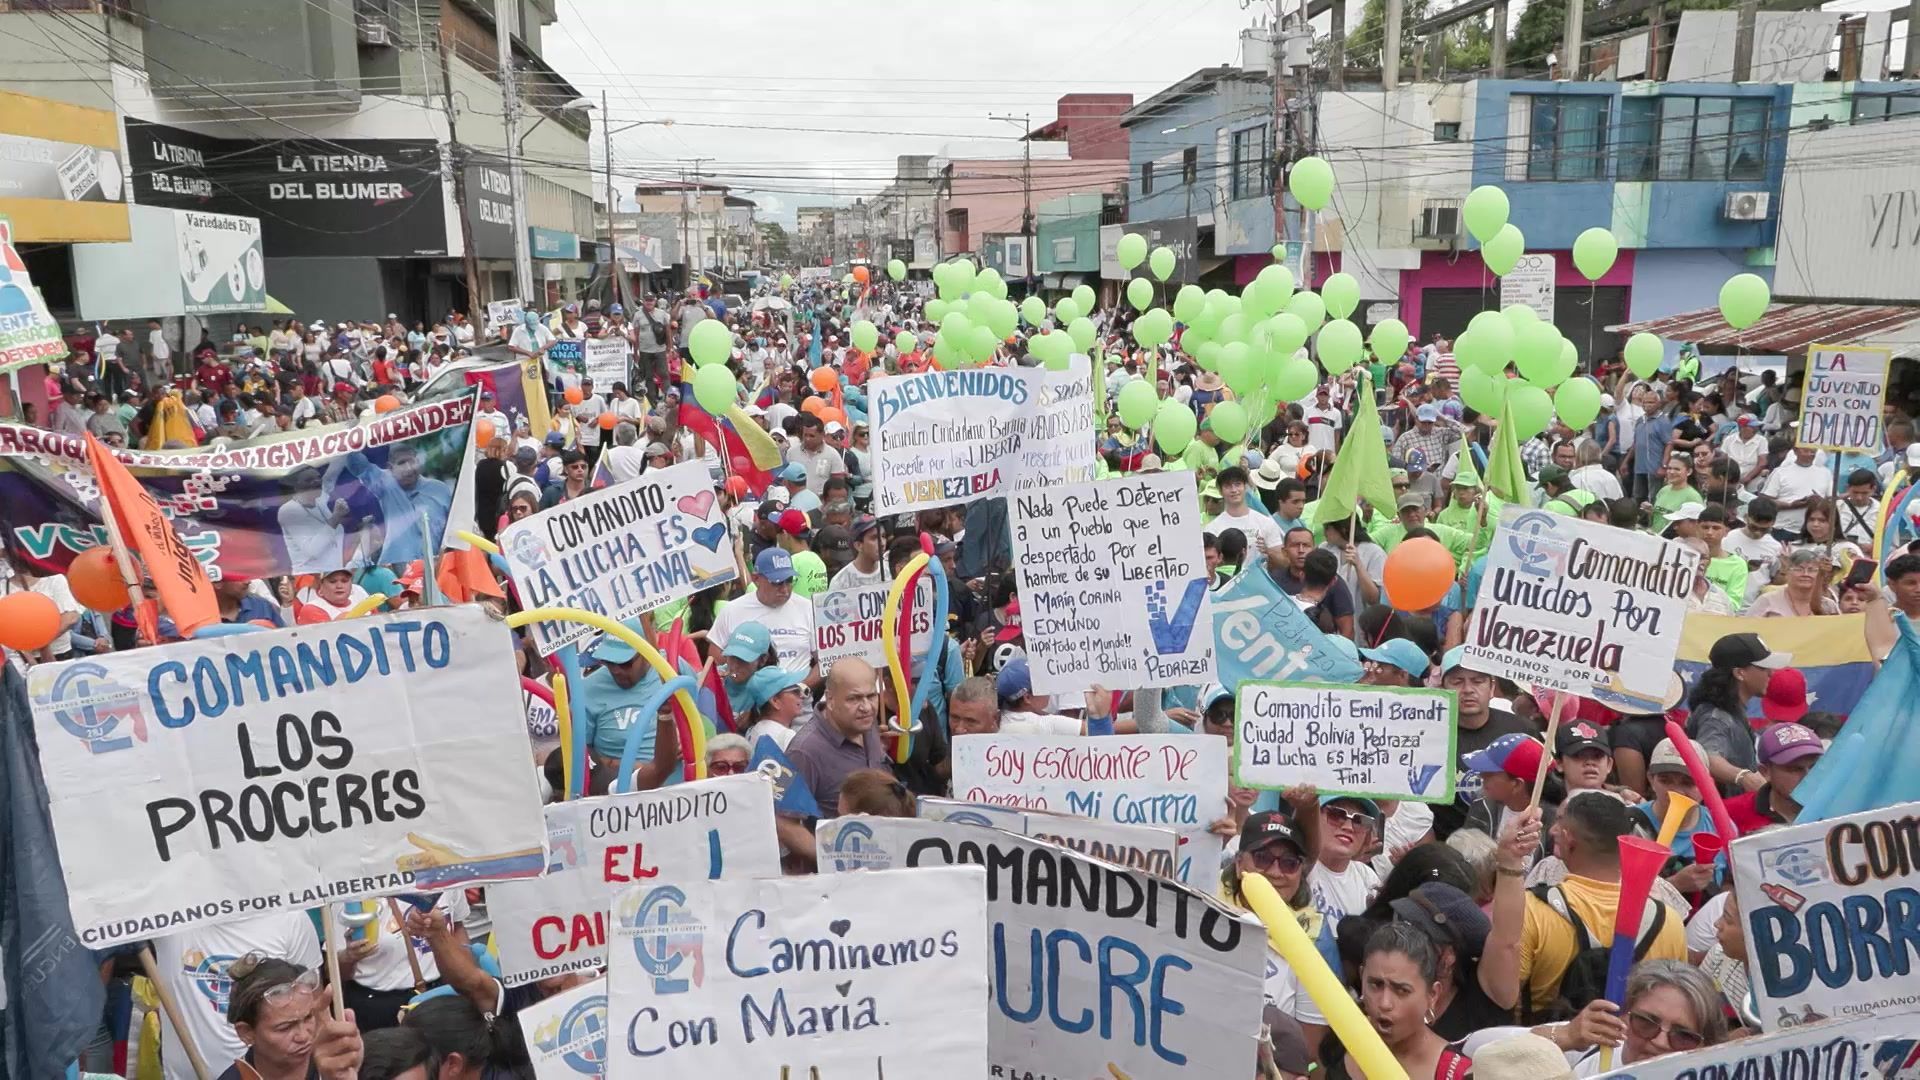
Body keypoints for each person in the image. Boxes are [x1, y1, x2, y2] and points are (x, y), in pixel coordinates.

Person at [1514, 794, 1688, 1018]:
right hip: (1636, 1049)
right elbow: (1677, 1000)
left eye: (1560, 824)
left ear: (1569, 840)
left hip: (1550, 1048)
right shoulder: (1668, 920)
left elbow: (1504, 997)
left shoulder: (1531, 909)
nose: (1552, 831)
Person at [1316, 923, 1472, 1080]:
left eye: (1402, 991)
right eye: (1375, 985)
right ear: (1362, 976)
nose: (1384, 1003)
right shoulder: (1339, 1041)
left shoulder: (1457, 1075)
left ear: (1432, 994)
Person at [1551, 960, 1728, 1075]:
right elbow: (1525, 1041)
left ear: (1707, 1046)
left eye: (1683, 1036)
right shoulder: (1598, 1044)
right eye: (1646, 1023)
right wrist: (1565, 1035)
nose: (1660, 1041)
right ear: (1623, 1019)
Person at [329, 891, 472, 1029]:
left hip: (442, 994)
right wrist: (349, 956)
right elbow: (334, 972)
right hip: (380, 1008)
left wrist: (468, 979)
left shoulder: (443, 875)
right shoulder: (352, 893)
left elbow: (458, 927)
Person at [217, 955, 364, 1080]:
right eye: (285, 1028)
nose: (303, 1036)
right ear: (246, 1033)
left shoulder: (340, 1061)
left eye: (308, 1018)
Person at [1686, 632, 1789, 795]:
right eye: (1763, 667)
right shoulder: (1716, 717)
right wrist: (1744, 777)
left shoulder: (1730, 711)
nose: (1771, 673)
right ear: (1740, 673)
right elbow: (1707, 757)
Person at [786, 657, 888, 817]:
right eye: (854, 698)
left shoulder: (865, 724)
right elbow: (786, 824)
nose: (867, 707)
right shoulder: (804, 752)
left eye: (871, 696)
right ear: (831, 699)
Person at [707, 549, 818, 688]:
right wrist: (741, 672)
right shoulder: (732, 610)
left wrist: (800, 688)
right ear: (756, 579)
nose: (784, 589)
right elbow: (714, 655)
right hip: (748, 703)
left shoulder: (808, 609)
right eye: (777, 582)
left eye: (789, 581)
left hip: (797, 704)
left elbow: (824, 661)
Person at [1724, 721, 1823, 831]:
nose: (1808, 776)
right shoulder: (1728, 814)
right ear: (1765, 772)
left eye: (1815, 767)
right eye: (1794, 769)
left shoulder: (1838, 808)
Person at [1311, 796, 1383, 928]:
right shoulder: (1294, 867)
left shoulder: (1367, 877)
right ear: (1315, 817)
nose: (1348, 827)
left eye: (1360, 821)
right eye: (1336, 815)